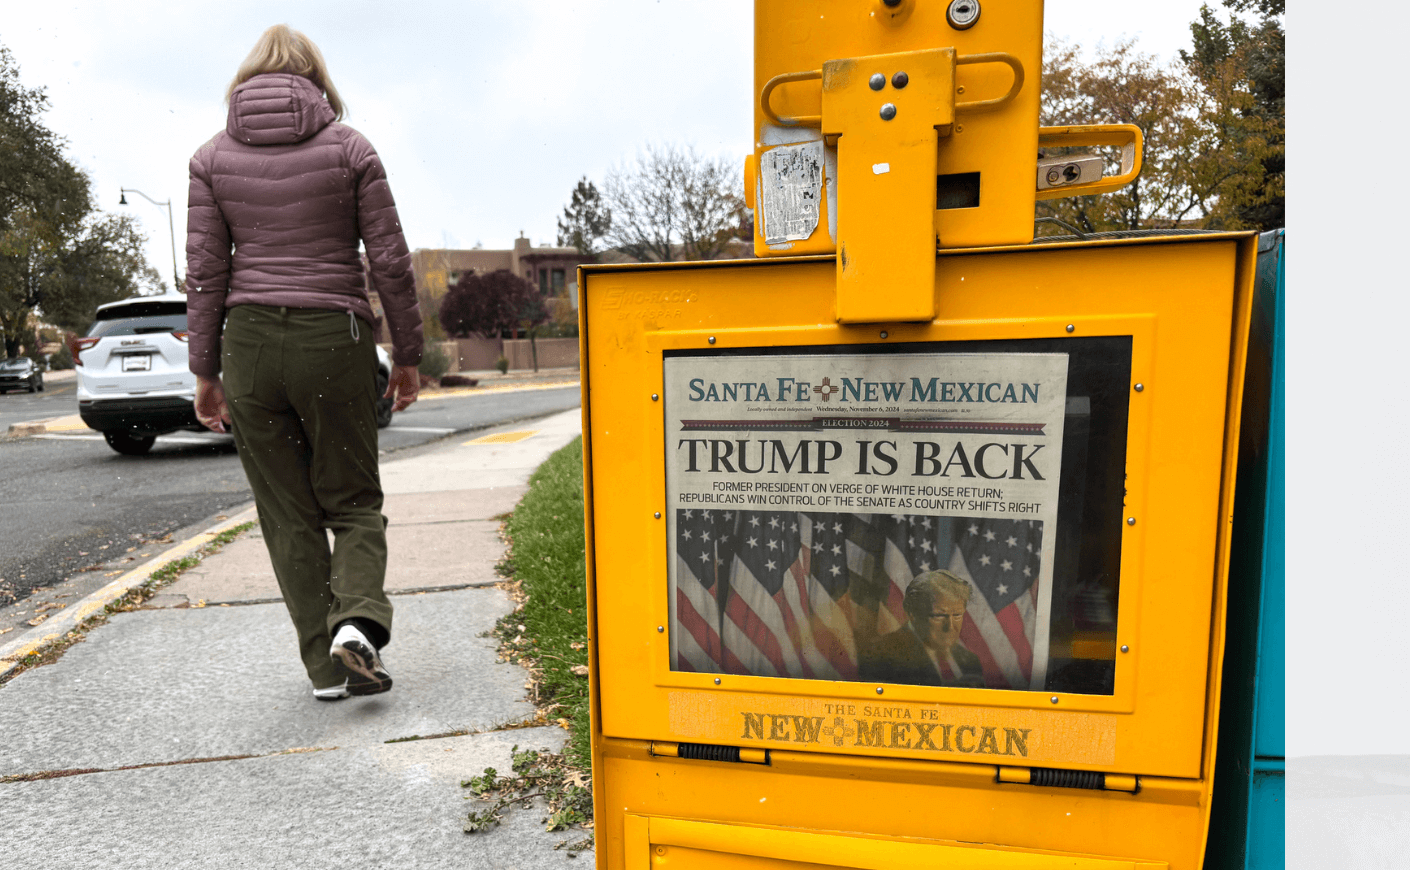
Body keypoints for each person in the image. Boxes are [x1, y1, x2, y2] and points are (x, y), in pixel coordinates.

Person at [185, 24, 423, 701]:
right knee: (351, 500)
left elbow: (204, 274)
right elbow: (391, 263)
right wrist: (407, 354)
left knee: (286, 513)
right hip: (334, 335)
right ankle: (358, 623)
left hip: (250, 343)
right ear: (315, 80)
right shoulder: (350, 149)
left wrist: (206, 373)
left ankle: (324, 670)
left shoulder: (209, 160)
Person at [860, 570, 984, 687]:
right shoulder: (880, 656)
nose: (950, 627)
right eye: (939, 615)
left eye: (957, 615)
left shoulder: (969, 661)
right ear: (913, 615)